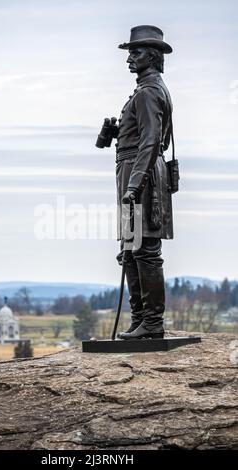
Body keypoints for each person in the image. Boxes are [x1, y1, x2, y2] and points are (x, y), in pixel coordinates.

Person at [115, 25, 174, 340]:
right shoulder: (147, 89)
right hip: (136, 172)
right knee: (131, 249)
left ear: (151, 56)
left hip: (142, 175)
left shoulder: (149, 91)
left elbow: (151, 141)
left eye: (134, 53)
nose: (129, 59)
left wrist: (134, 184)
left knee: (145, 249)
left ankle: (151, 323)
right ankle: (140, 320)